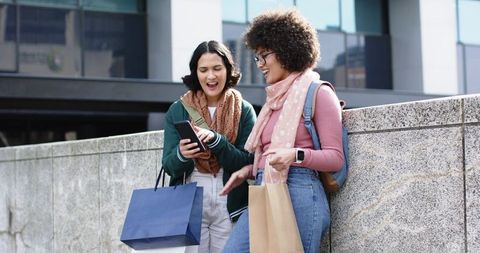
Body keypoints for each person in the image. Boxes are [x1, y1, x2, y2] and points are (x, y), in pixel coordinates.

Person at [221, 9, 344, 253]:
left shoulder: (319, 92)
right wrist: (248, 170)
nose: (261, 65)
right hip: (265, 188)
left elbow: (336, 158)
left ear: (287, 49)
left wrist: (295, 155)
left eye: (264, 56)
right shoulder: (274, 101)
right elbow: (269, 152)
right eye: (257, 58)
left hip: (301, 193)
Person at [162, 40, 256, 253]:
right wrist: (182, 154)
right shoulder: (178, 110)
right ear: (195, 73)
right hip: (191, 197)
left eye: (217, 68)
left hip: (230, 198)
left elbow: (248, 161)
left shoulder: (244, 109)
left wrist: (216, 141)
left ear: (228, 70)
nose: (210, 76)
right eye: (203, 70)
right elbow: (168, 165)